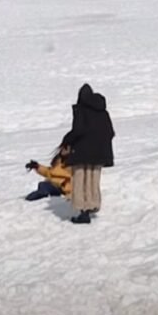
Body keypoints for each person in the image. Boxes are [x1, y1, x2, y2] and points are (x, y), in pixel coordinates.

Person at [60, 84, 115, 224]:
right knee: (93, 180)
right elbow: (110, 132)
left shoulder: (81, 111)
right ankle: (92, 204)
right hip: (99, 153)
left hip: (82, 151)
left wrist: (66, 141)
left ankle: (83, 211)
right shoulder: (103, 112)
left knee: (80, 180)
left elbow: (78, 130)